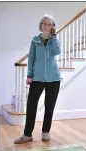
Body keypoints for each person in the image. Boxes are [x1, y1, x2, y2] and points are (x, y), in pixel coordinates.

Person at [14, 14, 61, 144]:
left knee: (49, 106)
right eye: (45, 24)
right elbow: (31, 58)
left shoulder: (54, 40)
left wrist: (54, 37)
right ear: (41, 25)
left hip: (53, 79)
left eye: (50, 24)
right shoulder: (35, 40)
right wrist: (29, 75)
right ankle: (27, 134)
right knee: (31, 105)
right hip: (37, 78)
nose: (47, 26)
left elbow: (57, 52)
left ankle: (46, 132)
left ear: (52, 27)